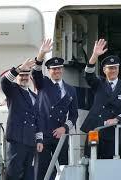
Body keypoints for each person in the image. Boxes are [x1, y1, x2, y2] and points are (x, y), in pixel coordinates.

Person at [80, 39, 121, 159]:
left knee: (111, 162)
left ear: (119, 69)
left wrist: (117, 119)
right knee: (91, 161)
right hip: (96, 129)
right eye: (110, 68)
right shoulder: (98, 83)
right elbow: (88, 75)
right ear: (104, 70)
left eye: (115, 68)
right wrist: (94, 55)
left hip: (114, 132)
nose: (113, 70)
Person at [32, 39, 78, 180]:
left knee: (62, 169)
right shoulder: (43, 83)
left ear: (62, 70)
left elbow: (74, 115)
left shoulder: (70, 89)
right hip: (44, 133)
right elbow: (35, 72)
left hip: (61, 135)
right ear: (49, 70)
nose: (57, 71)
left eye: (59, 68)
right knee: (42, 169)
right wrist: (41, 54)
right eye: (54, 69)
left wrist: (64, 128)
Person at [1, 58, 44, 180]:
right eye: (21, 75)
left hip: (30, 141)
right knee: (13, 174)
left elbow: (38, 120)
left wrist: (39, 140)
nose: (24, 77)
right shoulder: (13, 90)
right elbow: (4, 82)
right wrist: (18, 69)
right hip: (17, 140)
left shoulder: (34, 96)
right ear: (17, 77)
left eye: (26, 75)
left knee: (28, 175)